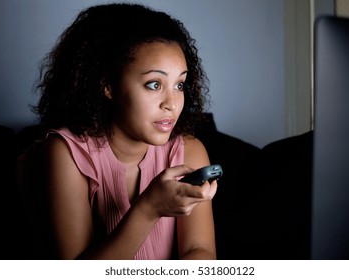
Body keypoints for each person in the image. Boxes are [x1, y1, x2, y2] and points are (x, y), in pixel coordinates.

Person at [22, 3, 218, 260]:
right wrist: (149, 209)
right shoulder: (66, 153)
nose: (172, 103)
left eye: (179, 84)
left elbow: (200, 251)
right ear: (108, 85)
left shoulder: (189, 151)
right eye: (154, 84)